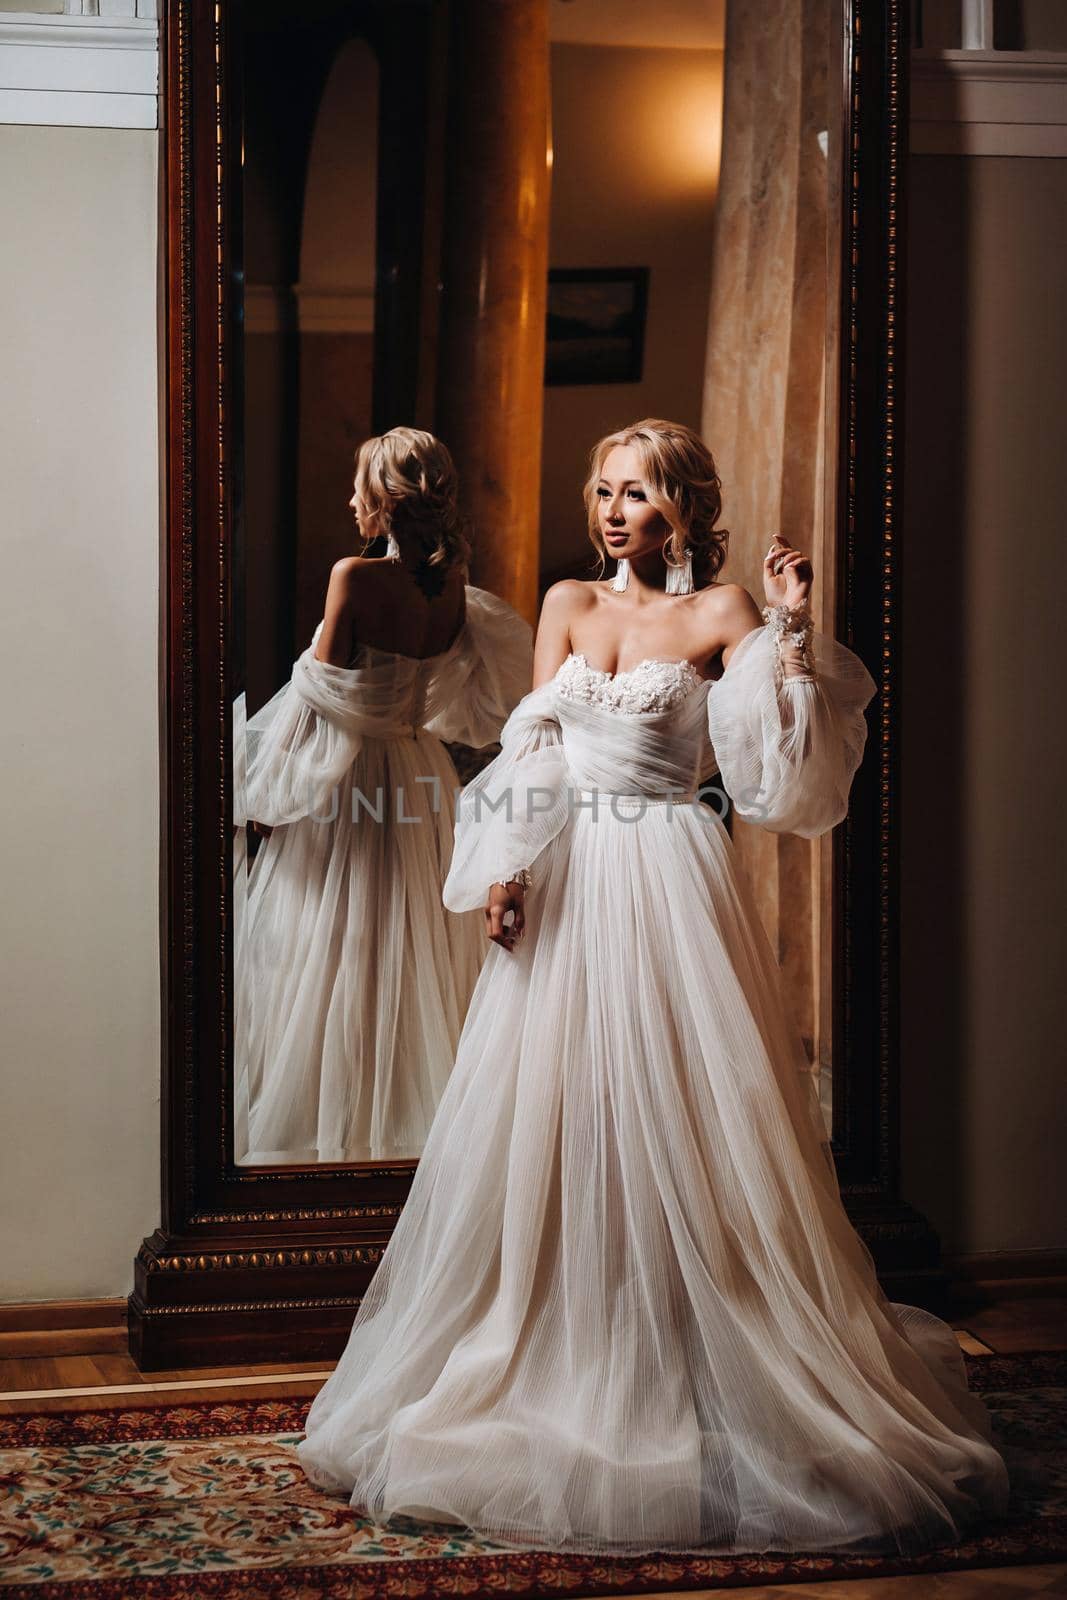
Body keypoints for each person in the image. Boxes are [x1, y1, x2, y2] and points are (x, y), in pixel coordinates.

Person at [296, 419, 1010, 1553]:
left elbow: (779, 774)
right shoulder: (569, 606)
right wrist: (506, 870)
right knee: (553, 1112)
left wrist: (786, 627)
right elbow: (530, 744)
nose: (613, 509)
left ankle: (700, 1353)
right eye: (603, 489)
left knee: (686, 1111)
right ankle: (559, 1341)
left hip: (670, 873)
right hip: (569, 872)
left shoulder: (719, 614)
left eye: (635, 491)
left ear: (681, 504)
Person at [234, 428, 532, 1163]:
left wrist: (274, 791)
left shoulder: (355, 577)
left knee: (338, 930)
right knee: (404, 931)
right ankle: (406, 1097)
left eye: (360, 486)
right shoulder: (454, 578)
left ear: (388, 500)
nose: (349, 500)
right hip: (418, 769)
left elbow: (320, 696)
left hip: (352, 771)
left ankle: (337, 1105)